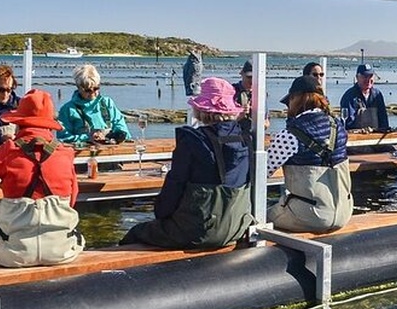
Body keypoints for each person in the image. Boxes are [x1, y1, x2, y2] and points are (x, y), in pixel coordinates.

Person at [120, 77, 253, 249]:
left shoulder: (193, 140)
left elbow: (175, 186)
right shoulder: (246, 138)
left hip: (199, 230)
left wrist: (161, 214)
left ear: (200, 109)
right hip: (236, 227)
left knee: (136, 233)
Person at [0, 89, 83, 267]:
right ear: (49, 126)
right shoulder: (65, 154)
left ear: (19, 124)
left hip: (15, 255)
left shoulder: (9, 151)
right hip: (62, 252)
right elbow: (72, 199)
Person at [266, 75, 352, 232]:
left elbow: (262, 172)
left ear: (295, 99)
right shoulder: (338, 126)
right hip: (344, 212)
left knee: (262, 217)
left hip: (309, 216)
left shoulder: (290, 135)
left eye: (289, 101)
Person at [57, 64, 131, 145]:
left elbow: (122, 129)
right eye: (88, 90)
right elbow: (63, 137)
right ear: (78, 87)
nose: (92, 93)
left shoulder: (107, 103)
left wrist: (116, 136)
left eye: (96, 88)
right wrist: (87, 137)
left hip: (110, 151)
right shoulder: (67, 109)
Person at [339, 63, 389, 131]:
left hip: (376, 135)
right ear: (357, 77)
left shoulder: (377, 94)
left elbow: (383, 119)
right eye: (365, 76)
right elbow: (348, 123)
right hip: (356, 137)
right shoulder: (349, 96)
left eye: (370, 76)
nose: (368, 80)